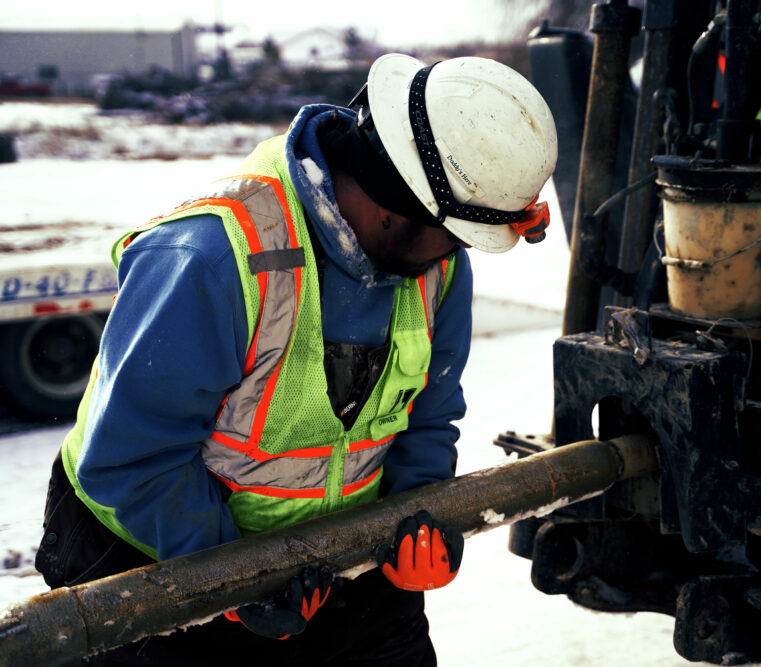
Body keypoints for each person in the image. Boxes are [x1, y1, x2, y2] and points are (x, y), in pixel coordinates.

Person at [35, 53, 557, 666]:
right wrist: (237, 580)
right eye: (459, 234)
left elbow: (429, 412)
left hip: (337, 556)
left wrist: (421, 515)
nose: (459, 253)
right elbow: (132, 462)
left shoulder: (436, 266)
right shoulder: (213, 257)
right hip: (155, 555)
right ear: (397, 205)